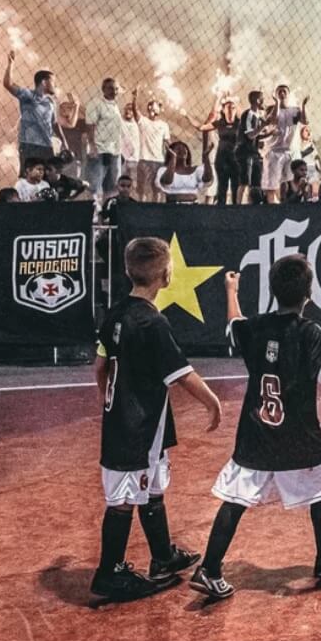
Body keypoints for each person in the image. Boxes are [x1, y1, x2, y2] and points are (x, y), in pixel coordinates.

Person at [189, 258, 321, 599]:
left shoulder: (256, 328)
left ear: (272, 291)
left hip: (256, 435)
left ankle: (209, 568)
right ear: (308, 295)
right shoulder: (309, 332)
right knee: (320, 491)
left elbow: (233, 325)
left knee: (234, 501)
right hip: (298, 437)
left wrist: (231, 291)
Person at [91, 237, 223, 602]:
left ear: (126, 271)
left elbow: (100, 363)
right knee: (123, 497)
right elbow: (181, 373)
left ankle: (163, 556)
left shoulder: (114, 314)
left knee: (151, 484)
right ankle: (110, 573)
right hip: (139, 425)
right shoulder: (153, 323)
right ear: (166, 276)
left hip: (130, 421)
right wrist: (212, 402)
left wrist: (104, 394)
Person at [2, 51, 64, 177]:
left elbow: (54, 124)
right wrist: (11, 64)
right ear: (44, 82)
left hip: (46, 145)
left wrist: (64, 143)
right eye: (53, 81)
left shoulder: (50, 102)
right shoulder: (28, 96)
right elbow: (8, 84)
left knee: (48, 178)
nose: (55, 85)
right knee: (28, 177)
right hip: (29, 144)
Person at [261, 85, 305, 204]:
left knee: (286, 182)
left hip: (289, 152)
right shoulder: (271, 109)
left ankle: (284, 204)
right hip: (274, 151)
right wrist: (277, 103)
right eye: (279, 91)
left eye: (284, 91)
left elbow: (305, 121)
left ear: (288, 94)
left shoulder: (294, 111)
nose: (282, 93)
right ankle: (271, 205)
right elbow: (273, 119)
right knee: (272, 183)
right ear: (276, 94)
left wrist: (303, 106)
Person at [83, 78, 125, 203]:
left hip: (115, 151)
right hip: (99, 149)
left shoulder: (116, 106)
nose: (114, 91)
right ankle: (92, 213)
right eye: (110, 88)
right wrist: (92, 146)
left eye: (116, 89)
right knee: (94, 184)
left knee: (113, 185)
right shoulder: (95, 103)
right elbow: (90, 126)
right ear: (103, 89)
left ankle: (108, 212)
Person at [236, 91, 271, 205]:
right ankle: (238, 205)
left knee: (256, 181)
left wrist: (271, 134)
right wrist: (263, 126)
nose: (264, 101)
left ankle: (253, 204)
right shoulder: (249, 114)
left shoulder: (258, 116)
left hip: (254, 152)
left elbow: (257, 136)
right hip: (245, 152)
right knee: (244, 181)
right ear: (258, 101)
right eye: (262, 99)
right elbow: (250, 135)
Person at [157, 138, 213, 204]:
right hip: (173, 206)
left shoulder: (196, 170)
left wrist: (206, 157)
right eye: (178, 149)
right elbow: (167, 182)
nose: (182, 150)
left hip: (193, 206)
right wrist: (173, 159)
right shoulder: (164, 170)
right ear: (170, 153)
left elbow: (207, 179)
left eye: (184, 148)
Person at [136, 98, 171, 203]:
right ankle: (141, 210)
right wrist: (134, 98)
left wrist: (175, 152)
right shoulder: (143, 121)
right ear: (148, 108)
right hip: (144, 159)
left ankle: (155, 210)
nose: (154, 108)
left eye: (157, 106)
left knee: (157, 189)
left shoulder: (164, 125)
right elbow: (135, 110)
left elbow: (167, 142)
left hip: (158, 161)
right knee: (143, 190)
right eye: (152, 106)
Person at [120, 102, 141, 198]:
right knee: (121, 181)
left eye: (130, 109)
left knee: (133, 183)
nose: (128, 111)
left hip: (134, 159)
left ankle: (132, 200)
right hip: (122, 158)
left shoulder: (138, 124)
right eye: (126, 109)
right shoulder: (120, 122)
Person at [297, 124, 321, 200]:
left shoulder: (312, 145)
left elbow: (317, 158)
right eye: (306, 131)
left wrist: (319, 169)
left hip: (311, 168)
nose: (308, 133)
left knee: (314, 182)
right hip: (302, 168)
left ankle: (315, 198)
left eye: (309, 131)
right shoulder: (298, 145)